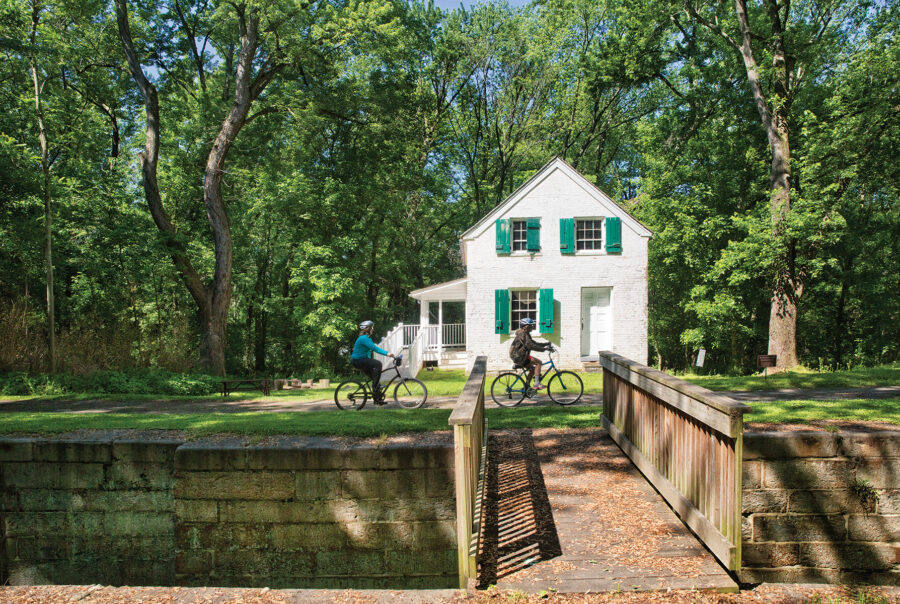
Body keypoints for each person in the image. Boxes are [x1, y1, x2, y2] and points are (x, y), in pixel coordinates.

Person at [350, 320, 394, 402]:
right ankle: (375, 387)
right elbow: (374, 348)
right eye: (372, 327)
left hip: (360, 360)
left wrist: (370, 360)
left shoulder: (366, 338)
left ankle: (377, 399)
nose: (373, 329)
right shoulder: (363, 338)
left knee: (374, 377)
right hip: (358, 361)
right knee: (378, 364)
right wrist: (387, 353)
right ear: (367, 328)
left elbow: (368, 351)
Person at [509, 317, 553, 390]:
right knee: (539, 363)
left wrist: (545, 344)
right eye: (531, 325)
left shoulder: (524, 334)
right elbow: (530, 346)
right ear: (526, 326)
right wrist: (544, 349)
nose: (532, 327)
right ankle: (537, 384)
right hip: (519, 357)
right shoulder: (523, 334)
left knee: (532, 370)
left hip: (519, 356)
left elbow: (533, 343)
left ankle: (525, 388)